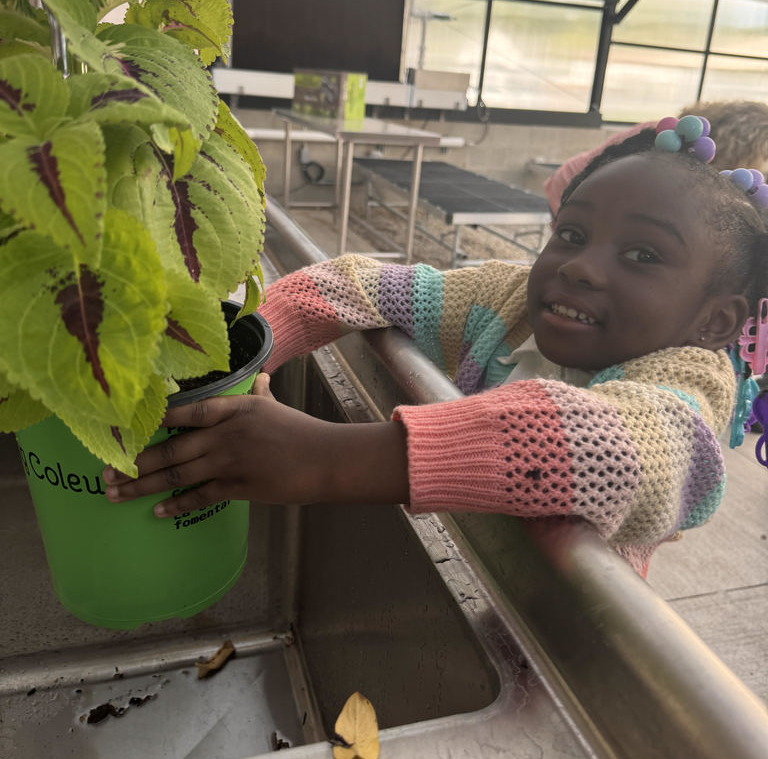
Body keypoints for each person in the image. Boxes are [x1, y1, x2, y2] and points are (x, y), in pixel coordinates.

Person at [103, 116, 768, 578]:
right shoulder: (504, 303)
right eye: (571, 234)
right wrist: (251, 355)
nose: (583, 266)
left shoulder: (690, 381)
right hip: (472, 564)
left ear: (715, 321)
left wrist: (325, 460)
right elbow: (351, 282)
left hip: (570, 647)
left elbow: (620, 450)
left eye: (643, 254)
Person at [544, 100, 768, 214]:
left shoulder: (693, 148)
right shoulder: (667, 138)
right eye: (765, 156)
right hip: (574, 188)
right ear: (741, 143)